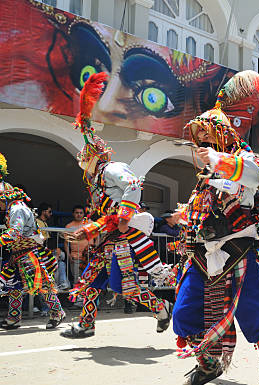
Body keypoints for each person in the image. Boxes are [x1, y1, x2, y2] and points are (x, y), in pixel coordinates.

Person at [172, 70, 259, 385]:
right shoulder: (205, 177)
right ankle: (209, 364)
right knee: (185, 314)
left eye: (208, 136)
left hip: (243, 252)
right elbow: (200, 209)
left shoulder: (248, 159)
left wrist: (218, 159)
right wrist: (183, 215)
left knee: (254, 315)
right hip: (205, 256)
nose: (202, 142)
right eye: (200, 138)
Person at [61, 72, 171, 339]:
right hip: (108, 237)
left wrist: (123, 217)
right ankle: (86, 325)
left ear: (93, 158)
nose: (82, 165)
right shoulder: (96, 180)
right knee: (90, 280)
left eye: (84, 159)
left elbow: (133, 183)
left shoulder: (111, 168)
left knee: (125, 286)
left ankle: (161, 307)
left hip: (124, 235)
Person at [0, 153, 65, 330]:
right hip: (18, 255)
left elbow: (15, 232)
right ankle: (14, 319)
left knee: (41, 284)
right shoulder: (14, 208)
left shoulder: (17, 210)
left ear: (5, 198)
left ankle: (57, 313)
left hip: (28, 254)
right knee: (14, 286)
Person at [63, 205, 92, 285]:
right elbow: (66, 243)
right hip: (75, 257)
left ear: (84, 214)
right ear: (73, 214)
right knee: (77, 280)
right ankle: (77, 297)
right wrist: (68, 255)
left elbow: (97, 239)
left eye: (81, 213)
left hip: (89, 256)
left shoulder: (90, 223)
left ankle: (88, 297)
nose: (79, 214)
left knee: (90, 279)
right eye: (77, 213)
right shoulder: (69, 226)